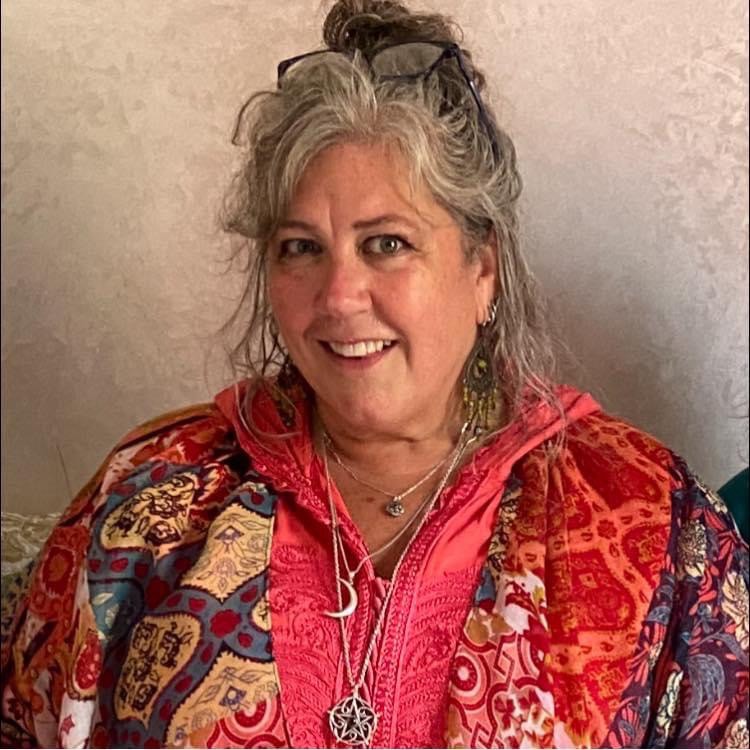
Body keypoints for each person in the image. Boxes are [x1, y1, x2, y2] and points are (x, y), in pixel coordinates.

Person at [1, 1, 748, 747]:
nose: (338, 297)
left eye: (387, 243)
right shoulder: (149, 506)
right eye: (301, 248)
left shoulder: (649, 522)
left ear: (482, 268)